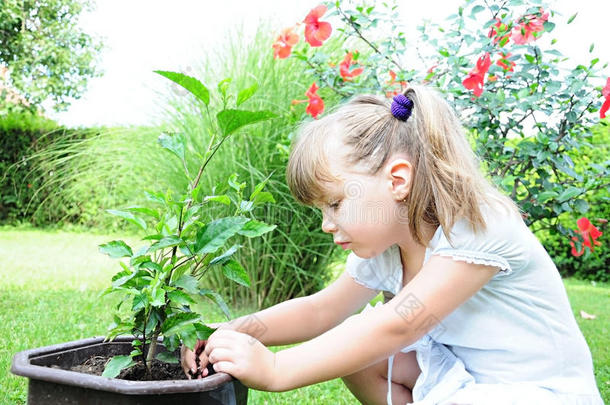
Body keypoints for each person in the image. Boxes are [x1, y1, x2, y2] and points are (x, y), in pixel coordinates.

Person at [181, 86, 603, 405]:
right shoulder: (389, 243)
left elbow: (401, 323)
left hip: (533, 390)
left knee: (371, 337)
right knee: (356, 350)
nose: (328, 225)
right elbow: (322, 310)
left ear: (397, 181)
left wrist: (276, 368)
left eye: (335, 204)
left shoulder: (477, 221)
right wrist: (230, 330)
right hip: (468, 375)